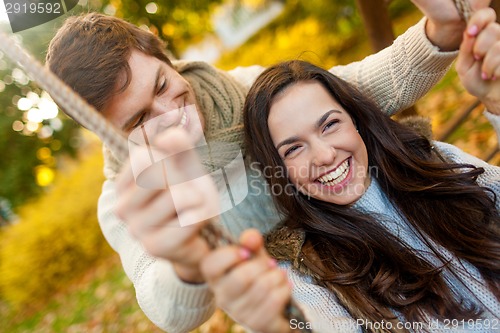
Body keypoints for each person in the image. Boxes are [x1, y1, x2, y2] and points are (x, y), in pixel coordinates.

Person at [45, 1, 494, 332]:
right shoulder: (129, 197)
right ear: (109, 133)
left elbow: (352, 94)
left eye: (162, 85)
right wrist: (185, 259)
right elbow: (166, 308)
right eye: (140, 119)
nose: (170, 115)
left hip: (375, 245)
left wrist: (440, 31)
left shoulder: (237, 90)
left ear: (165, 58)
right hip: (302, 304)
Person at [200, 7, 500, 333]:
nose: (325, 155)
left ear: (355, 120)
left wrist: (497, 104)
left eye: (329, 125)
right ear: (278, 170)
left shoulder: (431, 161)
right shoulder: (304, 270)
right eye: (294, 148)